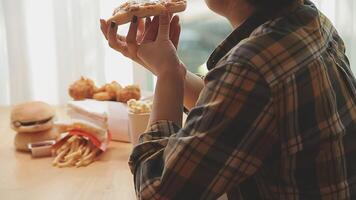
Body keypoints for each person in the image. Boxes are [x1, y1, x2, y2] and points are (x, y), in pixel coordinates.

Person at [100, 0, 356, 199]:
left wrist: (167, 75)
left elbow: (156, 190)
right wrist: (172, 69)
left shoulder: (251, 65)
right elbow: (236, 111)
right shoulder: (308, 19)